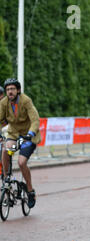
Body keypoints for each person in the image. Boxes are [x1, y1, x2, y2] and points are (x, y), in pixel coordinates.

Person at [0, 78, 41, 208]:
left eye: (12, 89)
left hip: (28, 136)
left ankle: (30, 190)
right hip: (14, 134)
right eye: (7, 90)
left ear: (18, 90)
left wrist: (31, 133)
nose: (10, 92)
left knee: (21, 162)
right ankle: (6, 180)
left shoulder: (26, 101)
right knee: (6, 150)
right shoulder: (3, 103)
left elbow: (35, 120)